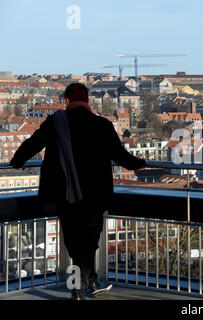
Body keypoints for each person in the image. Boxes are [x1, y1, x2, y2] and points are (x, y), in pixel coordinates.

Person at [10, 83, 147, 300]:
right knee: (89, 241)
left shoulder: (55, 123)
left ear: (66, 100)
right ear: (89, 101)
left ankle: (84, 284)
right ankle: (83, 286)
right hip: (94, 194)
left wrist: (17, 161)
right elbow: (120, 156)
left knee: (74, 242)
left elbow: (32, 144)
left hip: (66, 194)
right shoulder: (102, 125)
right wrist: (140, 163)